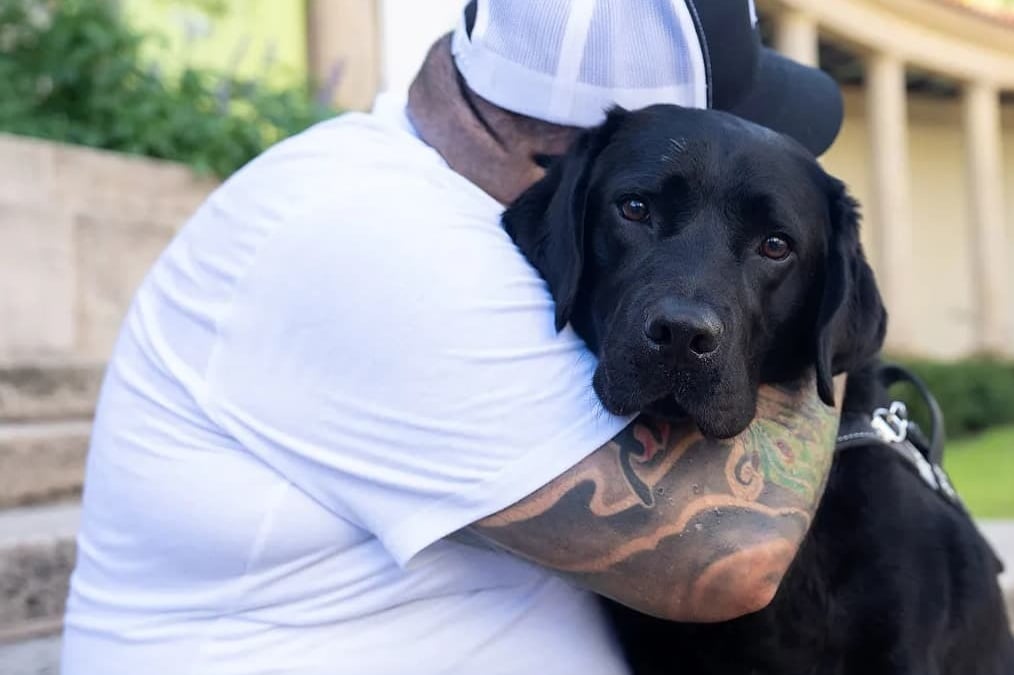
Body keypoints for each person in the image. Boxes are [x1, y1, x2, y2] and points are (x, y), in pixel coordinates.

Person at [60, 1, 847, 673]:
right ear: (587, 156)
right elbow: (728, 555)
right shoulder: (373, 234)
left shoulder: (445, 206)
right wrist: (807, 308)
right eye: (656, 204)